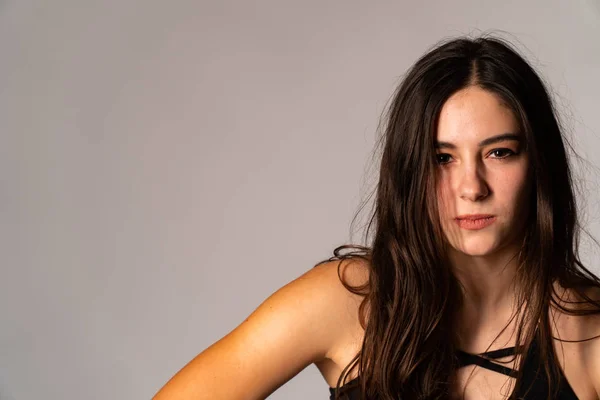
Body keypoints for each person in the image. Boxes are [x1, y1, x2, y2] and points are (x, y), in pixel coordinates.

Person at [152, 35, 600, 400]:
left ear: (537, 164)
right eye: (442, 158)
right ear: (410, 172)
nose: (471, 186)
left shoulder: (589, 335)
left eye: (500, 153)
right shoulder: (346, 302)